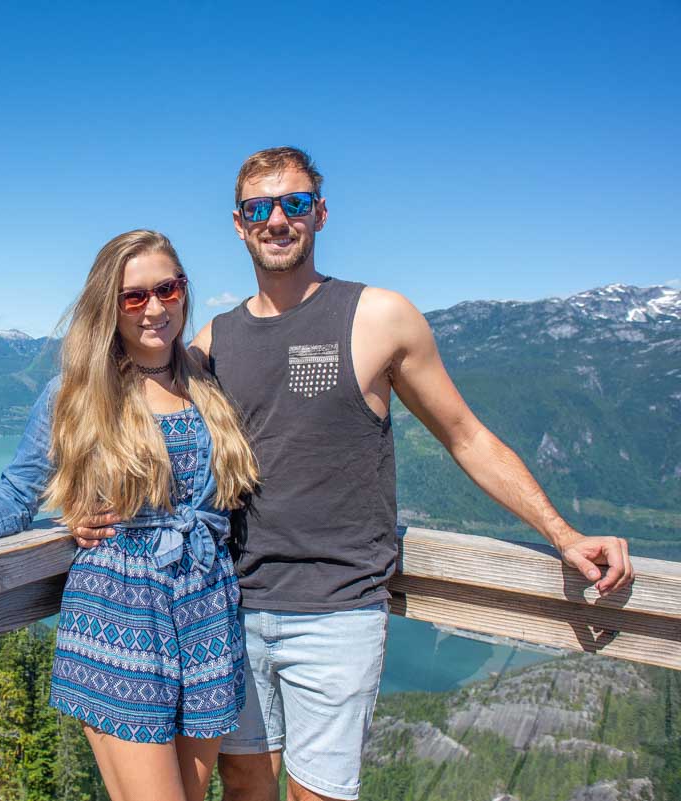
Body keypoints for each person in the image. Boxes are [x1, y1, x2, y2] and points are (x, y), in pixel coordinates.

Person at [71, 148, 635, 801]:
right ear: (238, 222)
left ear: (320, 212)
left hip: (337, 612)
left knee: (320, 794)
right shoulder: (213, 343)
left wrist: (562, 534)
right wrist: (89, 505)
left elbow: (466, 434)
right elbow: (130, 398)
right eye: (259, 207)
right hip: (233, 606)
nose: (277, 219)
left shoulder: (377, 316)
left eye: (295, 203)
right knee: (246, 779)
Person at [0, 229, 259, 801]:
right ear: (108, 306)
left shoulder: (206, 387)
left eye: (167, 289)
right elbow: (17, 495)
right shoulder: (76, 393)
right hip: (122, 617)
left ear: (183, 290)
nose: (154, 308)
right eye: (133, 297)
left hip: (206, 616)